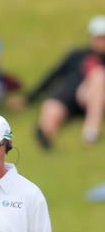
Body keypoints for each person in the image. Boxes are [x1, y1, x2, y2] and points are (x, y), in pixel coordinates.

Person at [24, 15, 105, 148]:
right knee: (51, 106)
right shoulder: (77, 55)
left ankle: (91, 131)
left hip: (94, 97)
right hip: (71, 96)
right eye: (99, 38)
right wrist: (28, 99)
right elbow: (54, 75)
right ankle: (46, 132)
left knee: (98, 75)